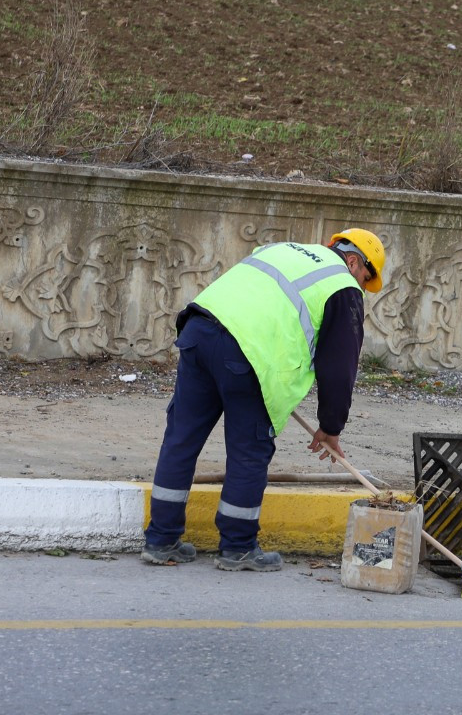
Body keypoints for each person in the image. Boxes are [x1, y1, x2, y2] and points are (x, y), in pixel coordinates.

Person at [141, 228, 386, 572]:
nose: (361, 287)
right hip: (247, 356)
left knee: (182, 437)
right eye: (365, 278)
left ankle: (160, 539)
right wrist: (331, 427)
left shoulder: (283, 248)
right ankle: (238, 547)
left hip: (198, 330)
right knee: (248, 450)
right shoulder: (340, 284)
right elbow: (339, 367)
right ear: (354, 260)